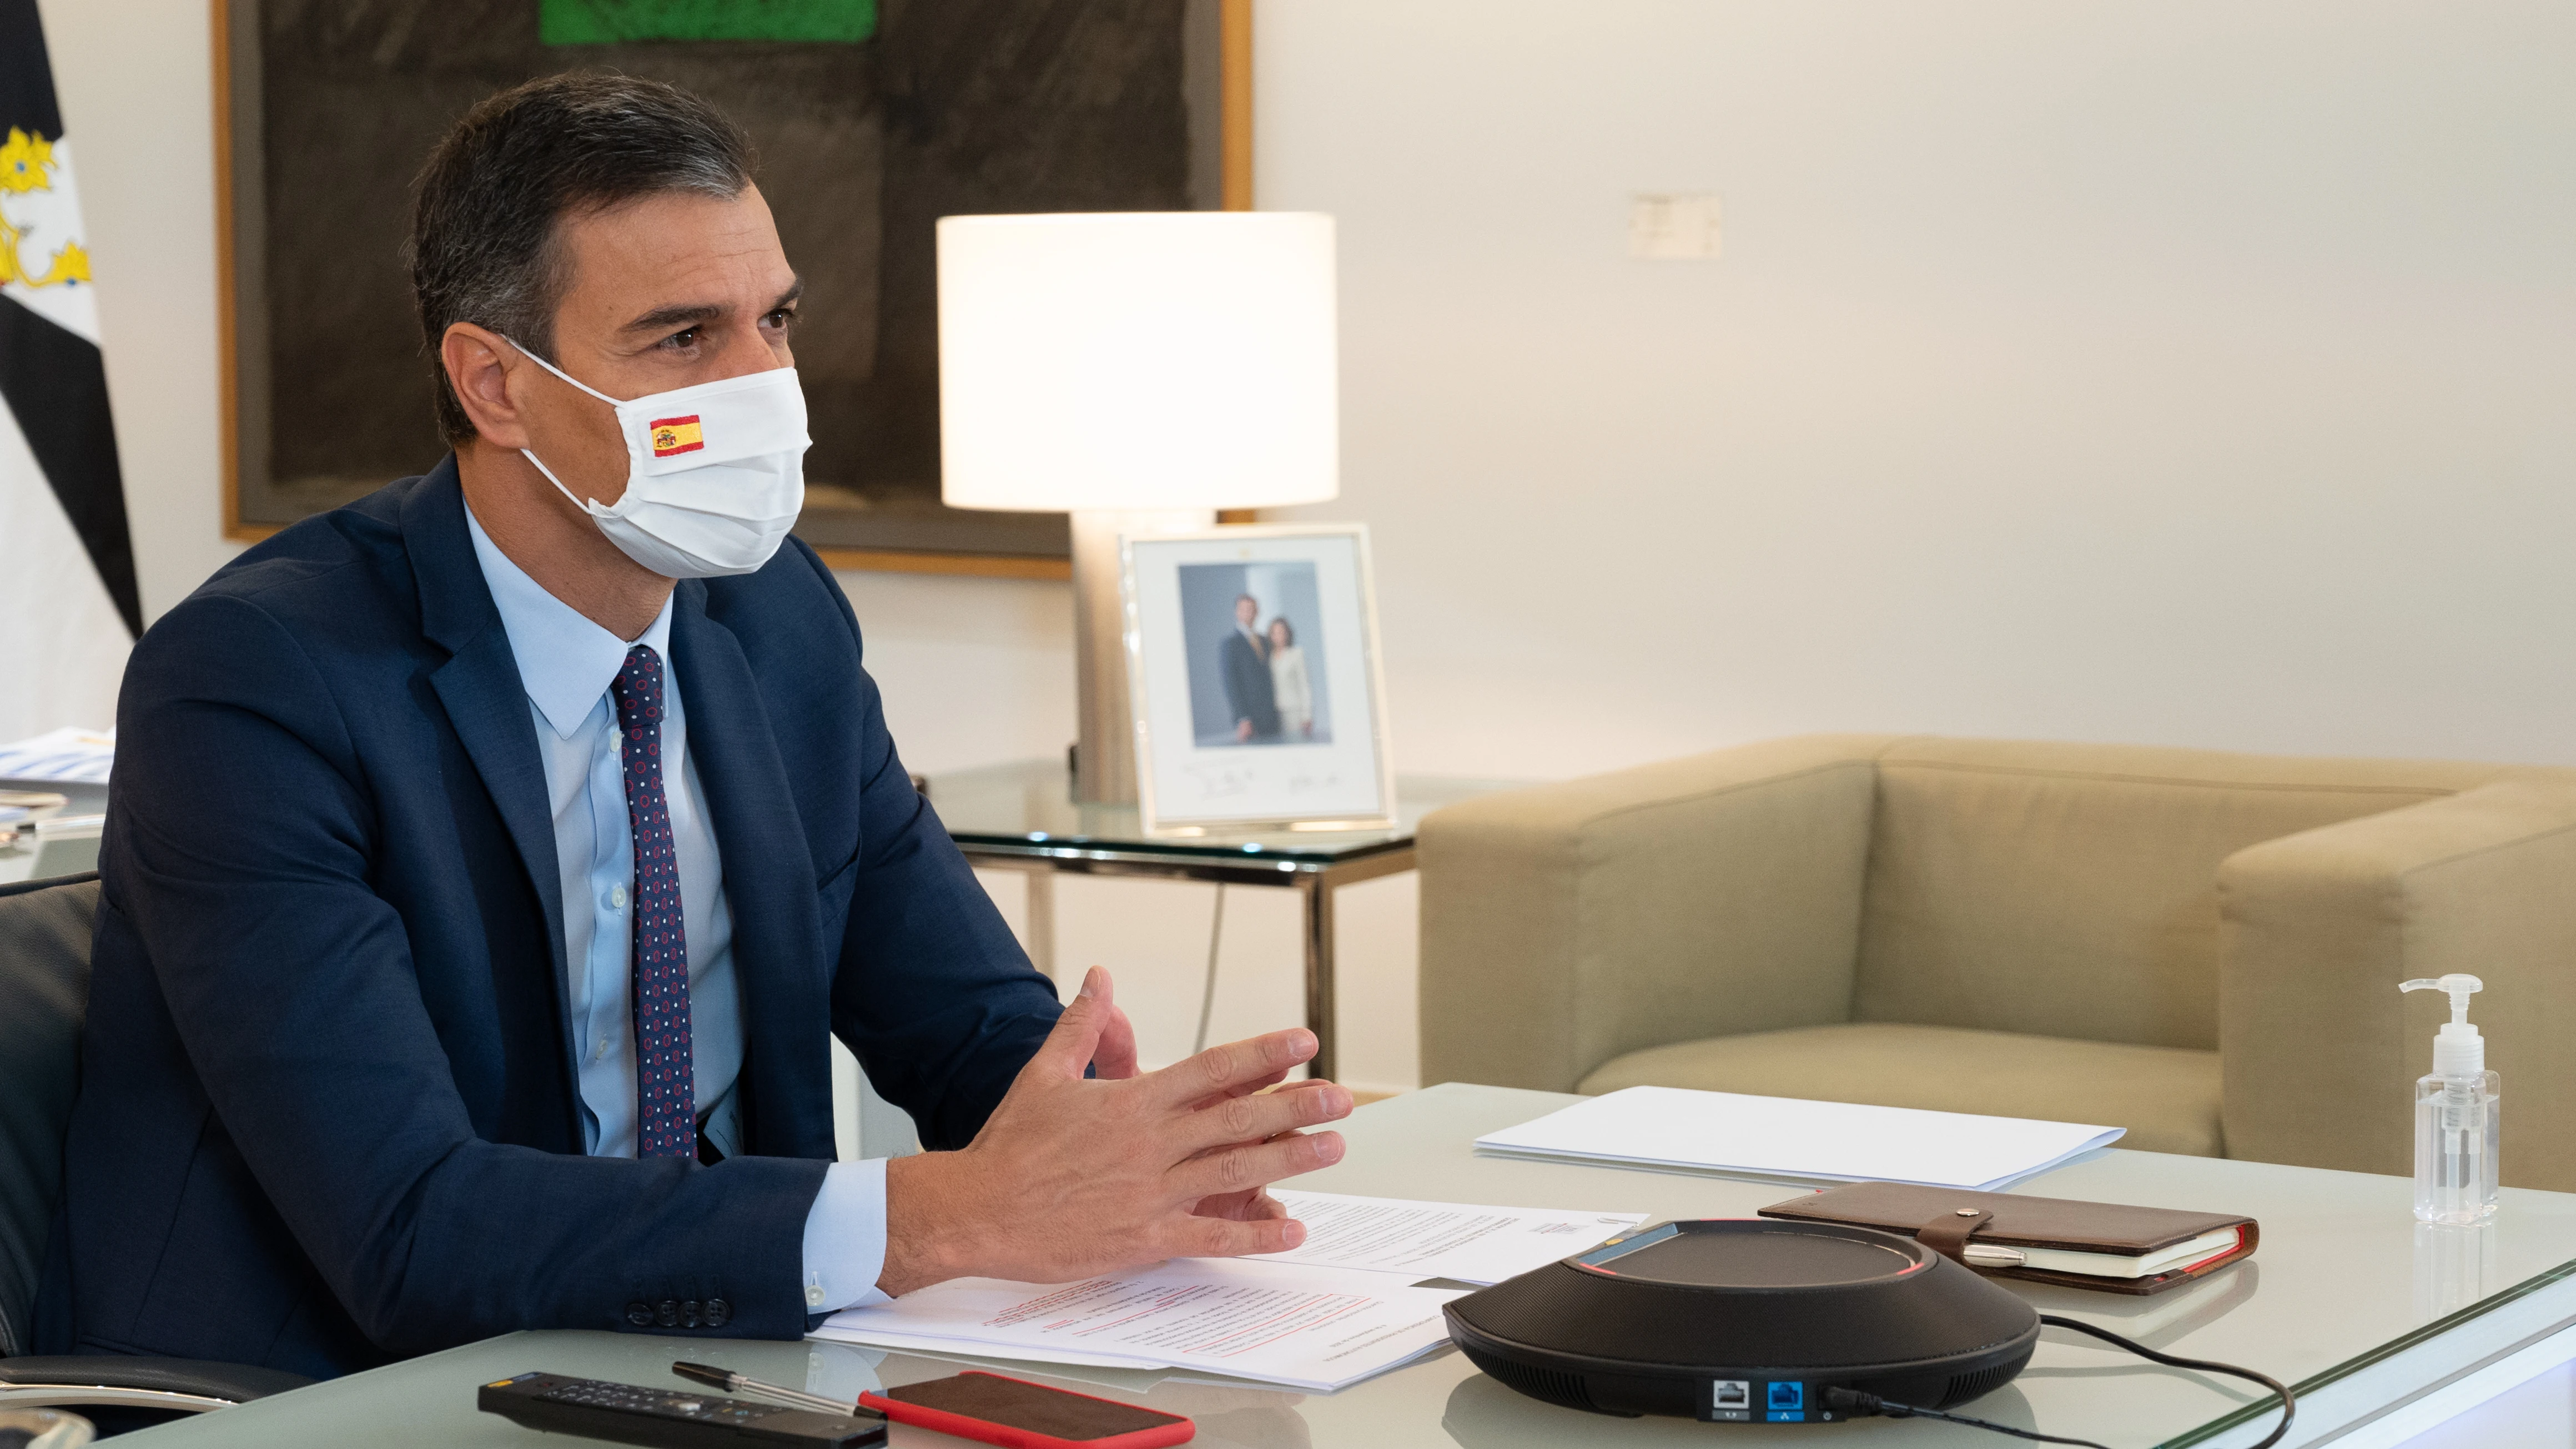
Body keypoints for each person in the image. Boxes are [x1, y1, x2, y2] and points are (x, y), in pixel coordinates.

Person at [34, 74, 1351, 1380]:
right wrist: (941, 1211)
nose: (760, 384)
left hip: (711, 1357)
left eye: (772, 320)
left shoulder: (775, 620)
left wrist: (1130, 1142)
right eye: (682, 339)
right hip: (323, 1383)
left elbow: (964, 1032)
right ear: (495, 383)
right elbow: (406, 1222)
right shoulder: (257, 678)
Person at [1220, 591, 1279, 743]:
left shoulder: (1264, 641)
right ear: (1237, 613)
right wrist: (1243, 718)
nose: (1250, 613)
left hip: (1271, 716)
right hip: (1250, 719)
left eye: (1253, 609)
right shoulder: (1231, 644)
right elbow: (1231, 684)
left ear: (1258, 612)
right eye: (1245, 609)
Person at [1268, 617, 1314, 740]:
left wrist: (1307, 715)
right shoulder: (1268, 657)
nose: (1279, 637)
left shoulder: (1296, 654)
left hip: (1294, 711)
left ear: (1288, 634)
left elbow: (1304, 685)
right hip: (1274, 713)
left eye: (1282, 632)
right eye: (1275, 633)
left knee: (1296, 744)